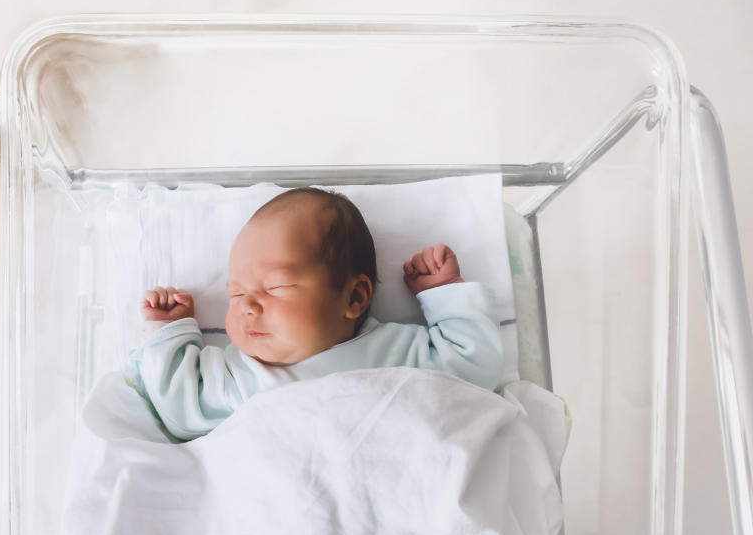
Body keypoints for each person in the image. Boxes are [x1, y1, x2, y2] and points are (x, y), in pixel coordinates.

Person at [130, 187, 504, 441]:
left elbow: (473, 371)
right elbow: (180, 411)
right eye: (236, 292)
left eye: (275, 287)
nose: (247, 305)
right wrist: (169, 333)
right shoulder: (238, 374)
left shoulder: (398, 353)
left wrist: (445, 293)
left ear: (354, 298)